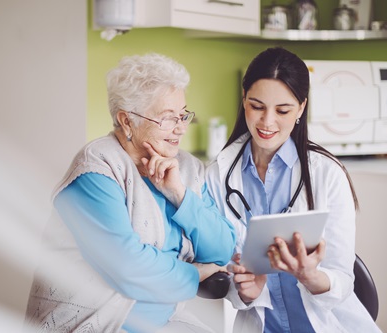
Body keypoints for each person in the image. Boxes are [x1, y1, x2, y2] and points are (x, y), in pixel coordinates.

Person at [24, 53, 236, 333]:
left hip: (162, 319)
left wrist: (179, 195)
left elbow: (222, 249)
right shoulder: (96, 169)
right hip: (98, 322)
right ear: (127, 121)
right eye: (168, 118)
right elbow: (128, 267)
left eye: (183, 114)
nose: (181, 128)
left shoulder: (186, 168)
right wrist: (195, 274)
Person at [205, 47, 381, 332]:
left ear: (301, 108)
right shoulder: (219, 173)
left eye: (283, 110)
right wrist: (247, 291)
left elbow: (342, 280)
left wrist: (310, 276)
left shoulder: (327, 174)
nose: (267, 122)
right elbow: (222, 269)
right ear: (244, 100)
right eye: (257, 106)